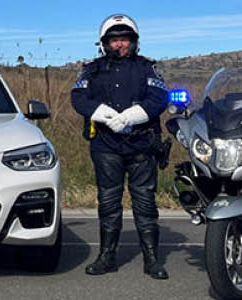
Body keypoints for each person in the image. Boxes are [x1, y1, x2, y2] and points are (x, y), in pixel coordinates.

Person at [70, 13, 169, 279]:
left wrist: (132, 116)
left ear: (134, 41)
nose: (120, 45)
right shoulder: (92, 68)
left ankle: (151, 259)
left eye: (124, 39)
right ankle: (107, 257)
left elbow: (160, 97)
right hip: (106, 145)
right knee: (109, 202)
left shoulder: (148, 67)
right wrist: (102, 113)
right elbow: (78, 97)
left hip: (142, 145)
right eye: (114, 40)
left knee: (145, 203)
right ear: (104, 43)